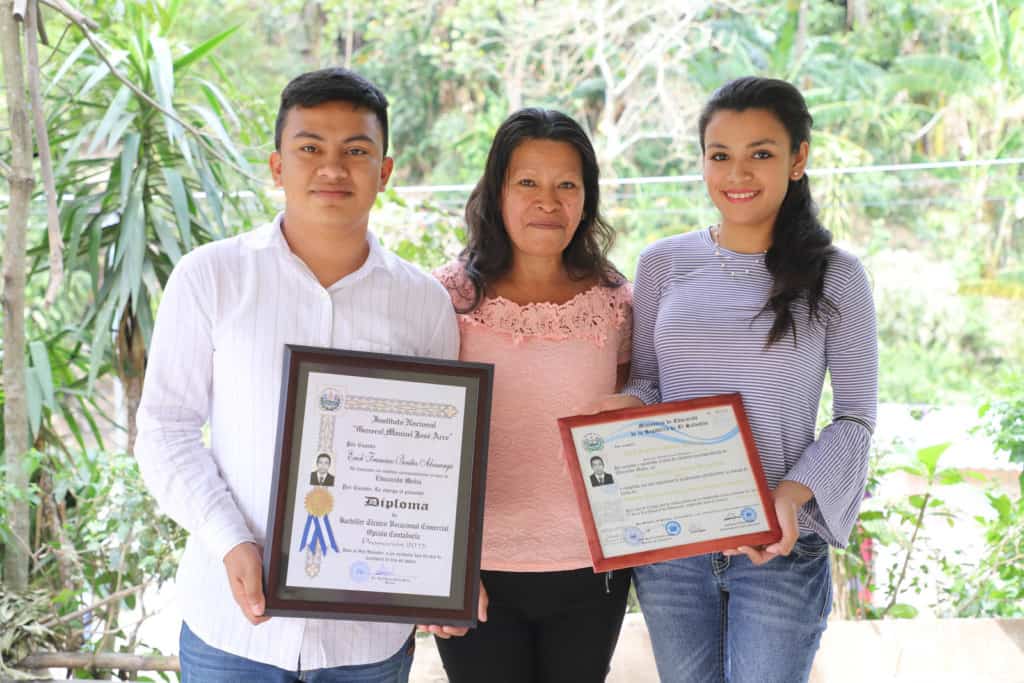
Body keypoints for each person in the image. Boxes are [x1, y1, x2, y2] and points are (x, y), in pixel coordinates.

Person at [135, 67, 481, 683]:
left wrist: (441, 570)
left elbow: (435, 458)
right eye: (310, 149)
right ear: (276, 167)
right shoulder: (210, 277)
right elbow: (166, 429)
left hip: (366, 637)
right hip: (232, 628)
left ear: (385, 170)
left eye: (356, 151)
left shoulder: (423, 301)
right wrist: (230, 539)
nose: (332, 168)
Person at [596, 77, 878, 683]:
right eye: (720, 155)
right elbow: (651, 384)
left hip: (778, 539)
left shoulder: (838, 276)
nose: (737, 173)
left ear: (798, 159)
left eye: (762, 153)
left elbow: (855, 418)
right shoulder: (663, 262)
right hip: (674, 539)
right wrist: (624, 407)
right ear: (702, 161)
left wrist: (788, 499)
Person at [433, 108, 633, 683]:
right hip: (477, 570)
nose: (548, 201)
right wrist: (438, 568)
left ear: (586, 199)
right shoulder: (448, 295)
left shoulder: (618, 299)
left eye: (566, 184)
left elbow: (633, 406)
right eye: (528, 182)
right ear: (496, 191)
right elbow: (422, 437)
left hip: (593, 569)